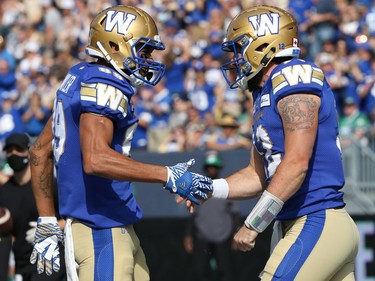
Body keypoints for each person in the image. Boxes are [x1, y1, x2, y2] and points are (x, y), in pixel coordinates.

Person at [28, 5, 212, 281]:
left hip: (110, 227)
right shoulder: (106, 83)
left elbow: (40, 151)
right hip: (101, 229)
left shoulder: (79, 75)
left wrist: (46, 220)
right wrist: (166, 175)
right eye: (143, 50)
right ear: (115, 45)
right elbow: (96, 159)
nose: (148, 58)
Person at [182, 5, 359, 281]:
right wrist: (208, 188)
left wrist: (254, 224)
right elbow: (258, 175)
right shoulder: (264, 92)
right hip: (298, 222)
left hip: (316, 218)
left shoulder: (293, 76)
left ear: (263, 44)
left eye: (240, 48)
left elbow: (297, 163)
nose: (236, 58)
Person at [0, 132, 66, 281]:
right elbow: (7, 234)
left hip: (50, 258)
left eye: (18, 149)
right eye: (9, 151)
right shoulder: (4, 192)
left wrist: (49, 227)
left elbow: (70, 219)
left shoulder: (48, 185)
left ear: (28, 152)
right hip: (22, 263)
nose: (13, 154)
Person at [183, 151, 240, 281]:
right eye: (209, 167)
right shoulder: (198, 188)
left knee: (225, 271)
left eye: (214, 167)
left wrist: (236, 233)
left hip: (223, 236)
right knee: (201, 271)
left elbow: (235, 214)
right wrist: (188, 235)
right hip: (202, 236)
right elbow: (193, 215)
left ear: (219, 168)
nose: (212, 169)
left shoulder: (227, 188)